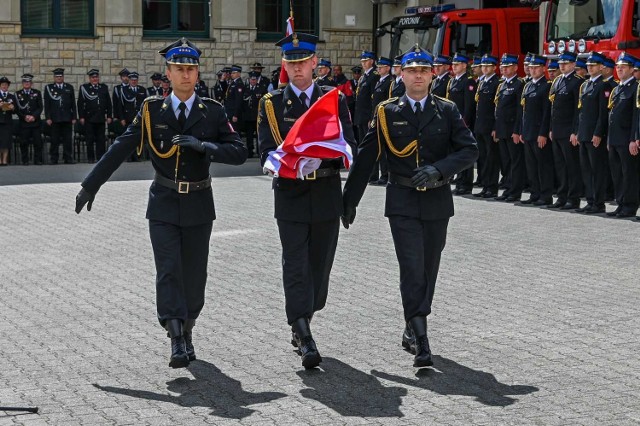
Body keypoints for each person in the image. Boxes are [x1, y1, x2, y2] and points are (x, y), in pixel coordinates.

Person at [75, 38, 247, 369]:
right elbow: (122, 146)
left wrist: (204, 146)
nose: (185, 75)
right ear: (167, 73)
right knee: (169, 270)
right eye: (179, 69)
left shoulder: (212, 111)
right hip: (164, 203)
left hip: (198, 202)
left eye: (190, 69)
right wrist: (90, 184)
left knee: (195, 277)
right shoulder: (153, 110)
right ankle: (176, 335)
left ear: (197, 73)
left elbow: (239, 152)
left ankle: (188, 324)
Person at [342, 45, 478, 368]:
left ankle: (410, 324)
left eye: (424, 70)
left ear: (432, 75)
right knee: (413, 267)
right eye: (412, 70)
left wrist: (439, 169)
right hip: (401, 201)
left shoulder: (447, 110)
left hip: (436, 201)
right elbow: (365, 158)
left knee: (428, 269)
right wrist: (349, 200)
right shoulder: (386, 112)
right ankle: (421, 334)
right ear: (401, 75)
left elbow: (469, 150)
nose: (418, 75)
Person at [257, 32, 356, 369]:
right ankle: (301, 330)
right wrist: (279, 164)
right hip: (290, 195)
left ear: (316, 63)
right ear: (284, 65)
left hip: (326, 192)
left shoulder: (333, 99)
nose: (297, 68)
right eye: (291, 62)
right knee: (295, 264)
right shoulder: (271, 103)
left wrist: (329, 157)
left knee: (319, 268)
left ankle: (305, 315)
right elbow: (264, 150)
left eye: (303, 62)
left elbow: (348, 144)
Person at [575, 51, 612, 214]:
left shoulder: (603, 85)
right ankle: (590, 200)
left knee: (597, 170)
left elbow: (603, 113)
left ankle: (598, 202)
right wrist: (577, 131)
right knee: (586, 169)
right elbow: (581, 112)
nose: (589, 68)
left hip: (594, 135)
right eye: (588, 65)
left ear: (600, 67)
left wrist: (598, 133)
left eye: (593, 65)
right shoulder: (586, 84)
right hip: (584, 133)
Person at [514, 54, 553, 206]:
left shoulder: (546, 86)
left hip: (538, 133)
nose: (533, 70)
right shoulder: (528, 85)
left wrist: (543, 133)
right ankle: (535, 193)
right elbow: (523, 111)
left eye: (536, 67)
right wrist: (521, 131)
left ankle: (545, 195)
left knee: (543, 166)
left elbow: (546, 113)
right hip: (528, 132)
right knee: (531, 166)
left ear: (543, 68)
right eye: (531, 68)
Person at [548, 52, 583, 210]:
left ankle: (573, 198)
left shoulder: (577, 82)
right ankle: (562, 196)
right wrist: (550, 129)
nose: (562, 65)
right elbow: (553, 109)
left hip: (569, 131)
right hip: (556, 130)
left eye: (566, 63)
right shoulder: (557, 81)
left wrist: (575, 131)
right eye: (561, 63)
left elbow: (578, 110)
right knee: (560, 166)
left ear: (574, 65)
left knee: (571, 166)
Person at [607, 52, 639, 217]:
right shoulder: (618, 88)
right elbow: (611, 115)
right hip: (614, 139)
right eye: (618, 67)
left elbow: (635, 116)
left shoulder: (635, 87)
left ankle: (630, 205)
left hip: (627, 139)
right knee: (617, 174)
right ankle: (620, 203)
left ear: (632, 69)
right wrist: (608, 139)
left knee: (629, 174)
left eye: (623, 67)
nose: (619, 70)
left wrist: (634, 139)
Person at [493, 54, 525, 202]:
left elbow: (520, 110)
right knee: (505, 161)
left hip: (512, 130)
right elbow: (498, 109)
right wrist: (496, 128)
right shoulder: (502, 84)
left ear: (515, 68)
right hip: (502, 129)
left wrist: (517, 130)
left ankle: (515, 190)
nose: (504, 69)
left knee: (515, 162)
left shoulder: (519, 84)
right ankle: (507, 187)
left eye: (507, 67)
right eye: (502, 67)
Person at [446, 53, 477, 194]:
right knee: (456, 153)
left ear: (464, 65)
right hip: (452, 122)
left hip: (462, 123)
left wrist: (465, 122)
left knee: (464, 153)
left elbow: (469, 105)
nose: (454, 66)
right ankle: (459, 181)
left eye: (457, 64)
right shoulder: (453, 81)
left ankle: (466, 184)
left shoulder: (468, 81)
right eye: (453, 64)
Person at [473, 54, 501, 198]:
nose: (484, 68)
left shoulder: (497, 83)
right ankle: (485, 185)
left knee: (492, 158)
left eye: (488, 66)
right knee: (483, 157)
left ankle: (492, 187)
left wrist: (495, 127)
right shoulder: (482, 82)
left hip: (490, 126)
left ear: (494, 68)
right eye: (483, 66)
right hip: (480, 126)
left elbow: (497, 108)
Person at [77, 69, 113, 163]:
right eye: (93, 77)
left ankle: (100, 157)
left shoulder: (103, 87)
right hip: (89, 118)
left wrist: (109, 116)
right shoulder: (84, 88)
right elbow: (80, 103)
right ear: (90, 78)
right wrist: (81, 117)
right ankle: (91, 158)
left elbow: (108, 103)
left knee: (100, 139)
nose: (95, 79)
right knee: (90, 139)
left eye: (96, 77)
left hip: (101, 118)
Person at [44, 68, 77, 164]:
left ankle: (68, 157)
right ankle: (54, 158)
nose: (59, 78)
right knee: (55, 139)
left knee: (68, 139)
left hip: (67, 117)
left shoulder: (69, 87)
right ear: (54, 77)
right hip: (55, 118)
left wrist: (74, 116)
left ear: (63, 77)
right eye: (57, 76)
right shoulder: (49, 88)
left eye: (60, 76)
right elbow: (47, 104)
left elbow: (73, 104)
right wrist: (48, 117)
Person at [369, 56, 393, 185]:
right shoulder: (379, 81)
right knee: (378, 148)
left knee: (384, 148)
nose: (378, 68)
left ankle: (385, 175)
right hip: (376, 117)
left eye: (381, 67)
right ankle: (378, 174)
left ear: (387, 68)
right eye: (378, 67)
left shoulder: (390, 81)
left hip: (384, 118)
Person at [14, 73, 44, 165]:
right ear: (22, 83)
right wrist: (24, 117)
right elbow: (16, 109)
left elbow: (40, 107)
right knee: (23, 143)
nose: (26, 83)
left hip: (35, 123)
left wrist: (33, 116)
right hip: (24, 123)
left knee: (38, 143)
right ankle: (25, 160)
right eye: (25, 82)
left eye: (28, 82)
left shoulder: (37, 92)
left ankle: (37, 160)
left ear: (31, 83)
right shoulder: (18, 94)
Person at [118, 72, 147, 161]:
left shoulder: (142, 89)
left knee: (138, 138)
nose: (134, 82)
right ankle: (129, 157)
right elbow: (120, 106)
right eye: (132, 80)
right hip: (128, 118)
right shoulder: (123, 90)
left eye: (135, 80)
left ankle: (138, 156)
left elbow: (145, 105)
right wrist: (122, 118)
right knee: (128, 139)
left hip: (139, 117)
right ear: (129, 80)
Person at [354, 51, 379, 146]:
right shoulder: (364, 76)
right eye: (362, 61)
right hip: (361, 115)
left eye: (366, 61)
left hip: (367, 115)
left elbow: (374, 98)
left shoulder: (374, 75)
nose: (363, 63)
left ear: (372, 61)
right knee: (361, 141)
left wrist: (371, 117)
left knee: (368, 143)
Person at [242, 71, 266, 158]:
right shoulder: (245, 88)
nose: (253, 81)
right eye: (251, 80)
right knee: (249, 135)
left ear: (256, 80)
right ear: (249, 80)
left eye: (254, 80)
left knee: (259, 135)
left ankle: (259, 151)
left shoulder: (261, 88)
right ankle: (250, 151)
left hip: (257, 116)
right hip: (248, 116)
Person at [0, 76, 16, 166]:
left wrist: (13, 108)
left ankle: (5, 160)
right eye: (2, 84)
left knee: (6, 141)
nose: (4, 86)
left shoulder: (11, 96)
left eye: (6, 85)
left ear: (8, 86)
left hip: (7, 122)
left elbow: (16, 110)